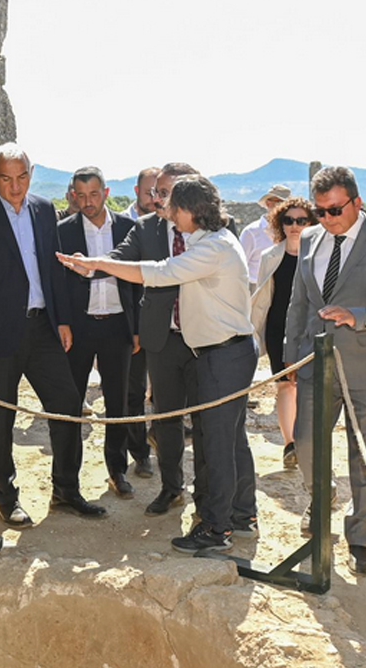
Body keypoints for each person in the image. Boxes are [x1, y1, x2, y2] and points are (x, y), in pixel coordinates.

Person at [58, 174, 259, 554]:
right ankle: (237, 518)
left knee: (219, 446)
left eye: (173, 206)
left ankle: (217, 530)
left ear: (190, 210)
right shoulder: (207, 241)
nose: (167, 212)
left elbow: (161, 272)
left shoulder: (212, 248)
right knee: (225, 441)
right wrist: (100, 265)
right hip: (221, 353)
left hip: (223, 355)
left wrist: (97, 263)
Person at [0, 143, 107, 528]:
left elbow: (53, 271)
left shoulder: (43, 209)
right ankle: (5, 498)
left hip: (43, 329)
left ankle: (66, 490)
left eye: (22, 177)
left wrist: (63, 320)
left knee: (67, 406)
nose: (15, 186)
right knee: (1, 417)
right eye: (6, 178)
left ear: (31, 174)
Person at [282, 166, 366, 575]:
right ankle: (320, 502)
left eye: (335, 210)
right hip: (313, 362)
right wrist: (290, 354)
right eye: (320, 211)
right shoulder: (309, 239)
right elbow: (299, 301)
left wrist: (358, 315)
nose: (327, 219)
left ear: (357, 202)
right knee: (305, 442)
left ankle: (360, 536)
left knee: (363, 455)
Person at [97, 162, 208, 518]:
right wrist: (92, 264)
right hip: (163, 339)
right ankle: (172, 488)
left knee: (206, 421)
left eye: (165, 193)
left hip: (205, 339)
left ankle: (208, 494)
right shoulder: (146, 228)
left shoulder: (215, 229)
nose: (157, 199)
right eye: (156, 192)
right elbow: (119, 259)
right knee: (166, 418)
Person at [57, 167, 142, 498]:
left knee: (118, 403)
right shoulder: (62, 231)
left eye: (94, 194)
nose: (88, 202)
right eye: (81, 196)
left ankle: (117, 471)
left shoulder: (127, 228)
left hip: (118, 326)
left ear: (106, 193)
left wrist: (136, 329)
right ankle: (67, 480)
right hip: (78, 329)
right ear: (73, 196)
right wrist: (62, 323)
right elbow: (56, 283)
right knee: (70, 403)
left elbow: (137, 281)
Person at [249, 196, 318, 469]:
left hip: (310, 329)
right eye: (289, 220)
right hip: (278, 328)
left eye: (301, 220)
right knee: (285, 385)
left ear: (311, 223)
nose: (295, 226)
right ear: (281, 223)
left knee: (308, 387)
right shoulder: (270, 256)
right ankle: (290, 444)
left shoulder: (320, 257)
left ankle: (306, 442)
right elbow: (264, 298)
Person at [119, 166, 163, 479]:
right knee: (133, 393)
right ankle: (140, 454)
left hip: (166, 324)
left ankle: (163, 442)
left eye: (159, 192)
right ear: (136, 191)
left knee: (165, 394)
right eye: (149, 192)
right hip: (131, 324)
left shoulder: (173, 224)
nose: (154, 198)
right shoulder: (123, 225)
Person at [240, 185, 290, 294]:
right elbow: (239, 266)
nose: (284, 208)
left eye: (288, 205)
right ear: (268, 203)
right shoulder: (251, 232)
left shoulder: (291, 230)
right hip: (256, 288)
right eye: (280, 202)